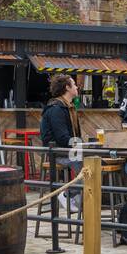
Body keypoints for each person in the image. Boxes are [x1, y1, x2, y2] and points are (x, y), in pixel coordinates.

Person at [39, 74, 84, 216]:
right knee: (90, 166)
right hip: (57, 152)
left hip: (68, 150)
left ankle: (80, 198)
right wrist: (84, 145)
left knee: (96, 161)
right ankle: (67, 195)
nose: (77, 87)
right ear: (67, 88)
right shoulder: (57, 109)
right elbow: (63, 138)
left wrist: (84, 145)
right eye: (74, 84)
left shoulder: (67, 107)